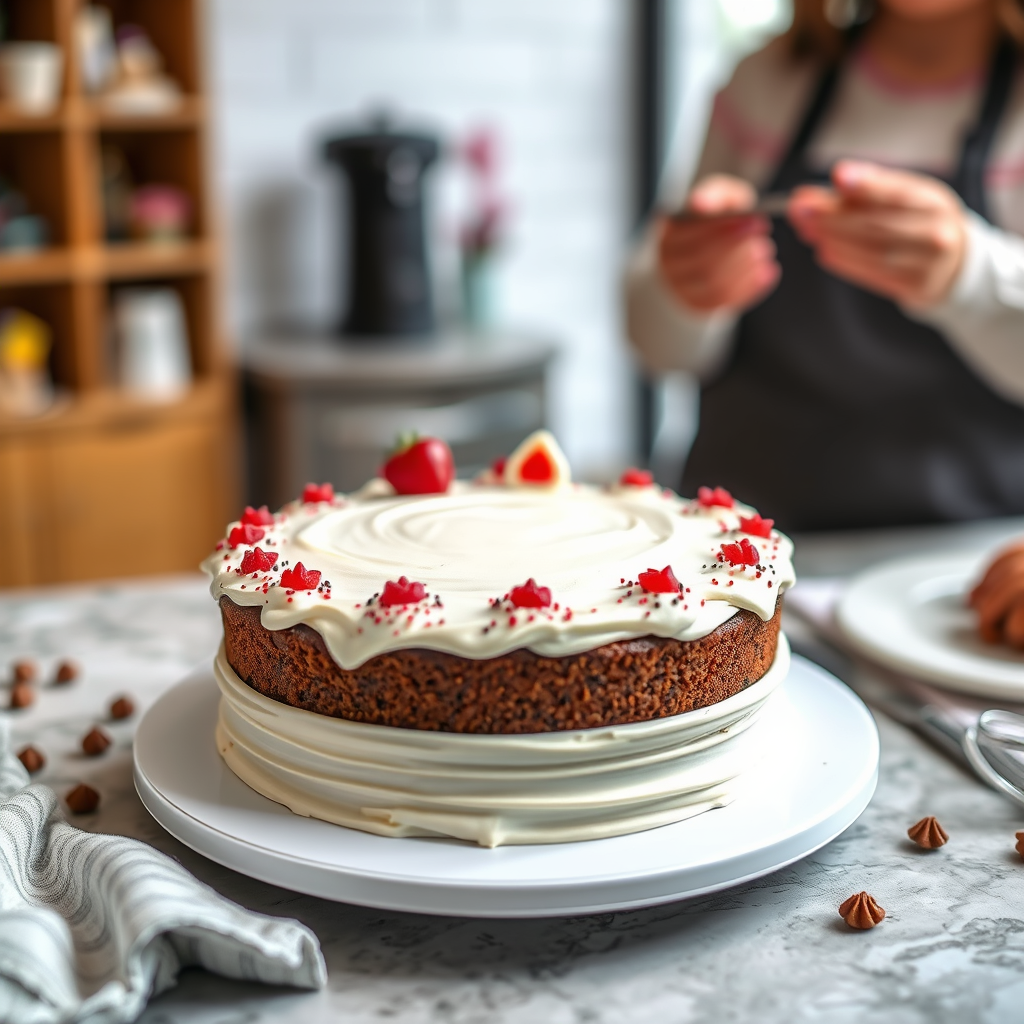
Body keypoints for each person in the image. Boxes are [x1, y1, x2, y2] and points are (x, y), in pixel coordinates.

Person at [626, 0, 1024, 531]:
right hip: (740, 549)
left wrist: (969, 278)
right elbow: (659, 347)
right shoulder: (765, 83)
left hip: (961, 567)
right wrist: (688, 290)